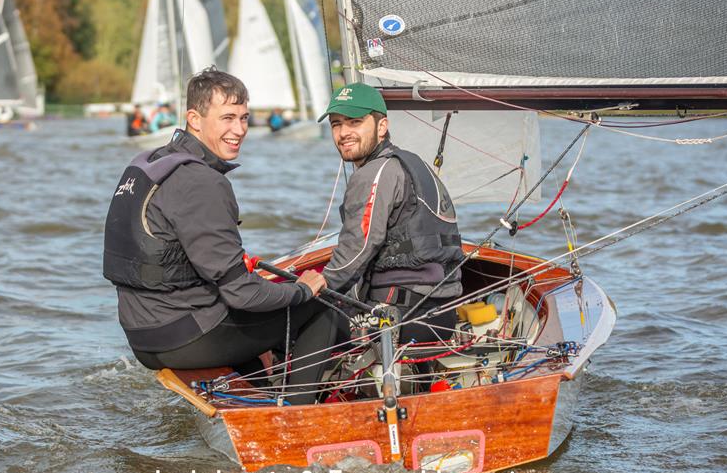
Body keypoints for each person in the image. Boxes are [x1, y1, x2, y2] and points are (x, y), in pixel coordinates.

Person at [104, 67, 338, 405]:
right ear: (194, 119)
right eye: (227, 118)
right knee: (322, 309)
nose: (239, 129)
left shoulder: (149, 164)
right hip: (181, 337)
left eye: (244, 118)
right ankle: (296, 418)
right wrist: (302, 289)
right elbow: (241, 294)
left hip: (140, 336)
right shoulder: (202, 182)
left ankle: (260, 397)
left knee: (255, 323)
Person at [316, 83, 463, 344]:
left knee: (310, 320)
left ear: (381, 126)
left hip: (402, 316)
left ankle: (294, 387)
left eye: (355, 122)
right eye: (336, 124)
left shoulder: (375, 173)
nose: (343, 132)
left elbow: (353, 256)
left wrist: (308, 290)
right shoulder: (414, 163)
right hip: (443, 315)